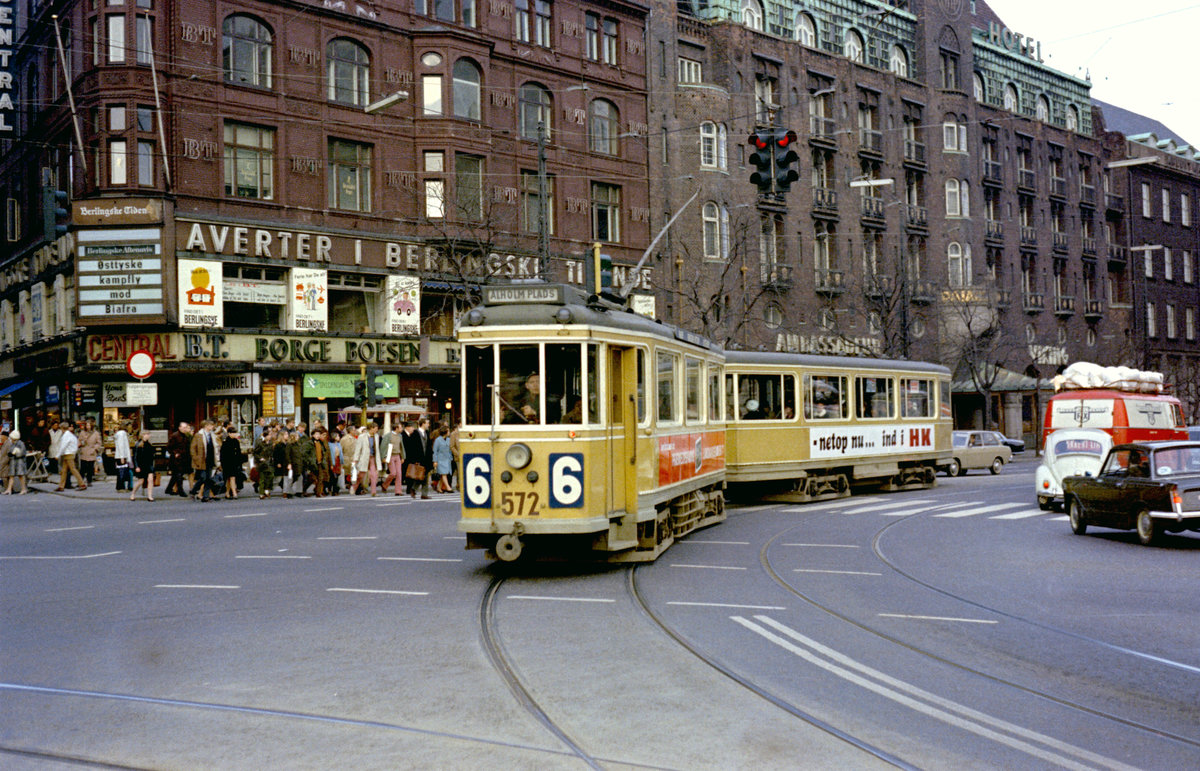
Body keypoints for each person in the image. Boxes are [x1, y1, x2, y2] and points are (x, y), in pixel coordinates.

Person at [402, 417, 433, 499]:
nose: (428, 425)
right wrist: (415, 460)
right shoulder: (415, 433)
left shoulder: (427, 433)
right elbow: (412, 448)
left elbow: (428, 446)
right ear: (423, 424)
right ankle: (417, 490)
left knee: (425, 476)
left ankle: (421, 493)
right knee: (421, 476)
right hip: (418, 458)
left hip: (426, 458)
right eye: (427, 423)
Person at [352, 422, 384, 496]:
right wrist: (356, 458)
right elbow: (358, 448)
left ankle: (373, 492)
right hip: (364, 457)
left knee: (374, 475)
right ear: (371, 428)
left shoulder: (376, 436)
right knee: (361, 474)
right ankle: (354, 486)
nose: (377, 430)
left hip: (373, 457)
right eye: (375, 429)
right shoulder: (362, 436)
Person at [190, 420, 217, 502]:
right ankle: (193, 490)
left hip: (210, 459)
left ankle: (205, 496)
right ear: (206, 426)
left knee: (208, 478)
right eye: (211, 425)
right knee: (203, 478)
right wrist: (196, 458)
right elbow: (193, 448)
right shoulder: (198, 435)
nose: (212, 427)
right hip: (202, 460)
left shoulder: (213, 435)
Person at [56, 422, 87, 491]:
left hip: (68, 454)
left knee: (73, 469)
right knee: (64, 470)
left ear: (62, 428)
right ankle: (61, 486)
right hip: (70, 453)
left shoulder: (65, 436)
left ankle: (82, 484)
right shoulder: (71, 435)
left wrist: (58, 455)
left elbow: (63, 446)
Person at [164, 422, 192, 497]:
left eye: (185, 427)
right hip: (176, 459)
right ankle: (180, 490)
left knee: (176, 475)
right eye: (183, 427)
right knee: (179, 474)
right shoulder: (175, 436)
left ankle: (168, 489)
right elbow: (169, 447)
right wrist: (175, 453)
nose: (185, 429)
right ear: (179, 428)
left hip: (184, 458)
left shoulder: (185, 436)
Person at [129, 431, 157, 501]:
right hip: (141, 465)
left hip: (149, 465)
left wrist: (153, 465)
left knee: (150, 480)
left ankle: (150, 496)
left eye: (148, 434)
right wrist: (136, 466)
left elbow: (152, 456)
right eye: (147, 434)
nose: (148, 435)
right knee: (140, 481)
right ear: (143, 435)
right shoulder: (138, 444)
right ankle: (133, 493)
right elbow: (135, 457)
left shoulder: (149, 444)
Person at [252, 427, 277, 499]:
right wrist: (260, 458)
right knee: (262, 478)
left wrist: (272, 458)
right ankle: (261, 493)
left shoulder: (271, 443)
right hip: (262, 463)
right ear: (265, 436)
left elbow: (272, 452)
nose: (270, 437)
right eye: (268, 435)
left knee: (270, 476)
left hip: (269, 462)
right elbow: (255, 453)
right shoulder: (260, 443)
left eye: (270, 435)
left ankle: (267, 489)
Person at [221, 429, 244, 500]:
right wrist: (222, 464)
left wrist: (240, 462)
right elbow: (222, 454)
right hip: (227, 463)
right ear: (229, 433)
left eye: (235, 433)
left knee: (230, 478)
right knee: (231, 478)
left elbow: (239, 452)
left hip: (235, 462)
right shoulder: (225, 442)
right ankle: (234, 493)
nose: (234, 434)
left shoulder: (236, 441)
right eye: (233, 433)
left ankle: (227, 492)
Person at [77, 419, 102, 485]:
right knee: (83, 467)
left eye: (89, 425)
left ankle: (89, 481)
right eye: (87, 425)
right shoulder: (82, 433)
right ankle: (81, 481)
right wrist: (82, 443)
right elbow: (79, 441)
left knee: (90, 467)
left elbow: (99, 443)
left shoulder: (96, 433)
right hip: (84, 450)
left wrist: (94, 448)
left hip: (91, 451)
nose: (88, 427)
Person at [5, 429, 29, 494]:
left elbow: (22, 452)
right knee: (12, 475)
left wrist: (15, 454)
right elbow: (11, 451)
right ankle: (9, 489)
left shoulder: (20, 443)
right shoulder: (13, 443)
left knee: (20, 475)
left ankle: (23, 489)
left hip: (19, 462)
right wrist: (10, 453)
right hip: (14, 461)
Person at [431, 426, 453, 493]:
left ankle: (439, 488)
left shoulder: (448, 439)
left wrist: (451, 458)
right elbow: (435, 451)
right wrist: (435, 461)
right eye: (448, 431)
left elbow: (450, 450)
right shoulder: (438, 440)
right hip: (440, 459)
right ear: (445, 432)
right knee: (444, 474)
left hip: (447, 459)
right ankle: (448, 487)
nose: (449, 432)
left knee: (443, 474)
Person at [312, 427, 332, 497]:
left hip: (321, 462)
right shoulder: (311, 442)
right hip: (314, 462)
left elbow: (327, 453)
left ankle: (319, 492)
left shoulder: (322, 443)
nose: (324, 436)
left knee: (322, 478)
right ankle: (316, 490)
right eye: (323, 435)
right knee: (313, 478)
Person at [113, 421, 133, 491]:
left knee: (121, 471)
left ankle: (121, 486)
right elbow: (121, 446)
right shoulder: (122, 434)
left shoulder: (120, 434)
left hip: (120, 455)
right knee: (122, 472)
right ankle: (121, 487)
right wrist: (122, 456)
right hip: (122, 456)